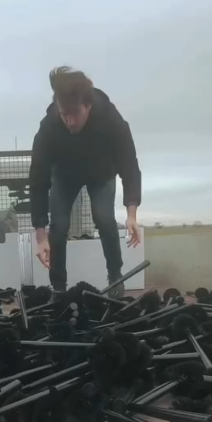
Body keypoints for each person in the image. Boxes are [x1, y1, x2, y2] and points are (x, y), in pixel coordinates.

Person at [29, 67, 142, 292]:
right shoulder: (48, 127)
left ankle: (115, 278)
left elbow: (128, 163)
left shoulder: (111, 119)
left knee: (104, 218)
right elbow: (38, 180)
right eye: (64, 115)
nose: (70, 122)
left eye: (75, 114)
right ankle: (58, 288)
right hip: (65, 175)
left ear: (88, 106)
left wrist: (131, 213)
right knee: (58, 226)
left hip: (101, 174)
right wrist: (40, 236)